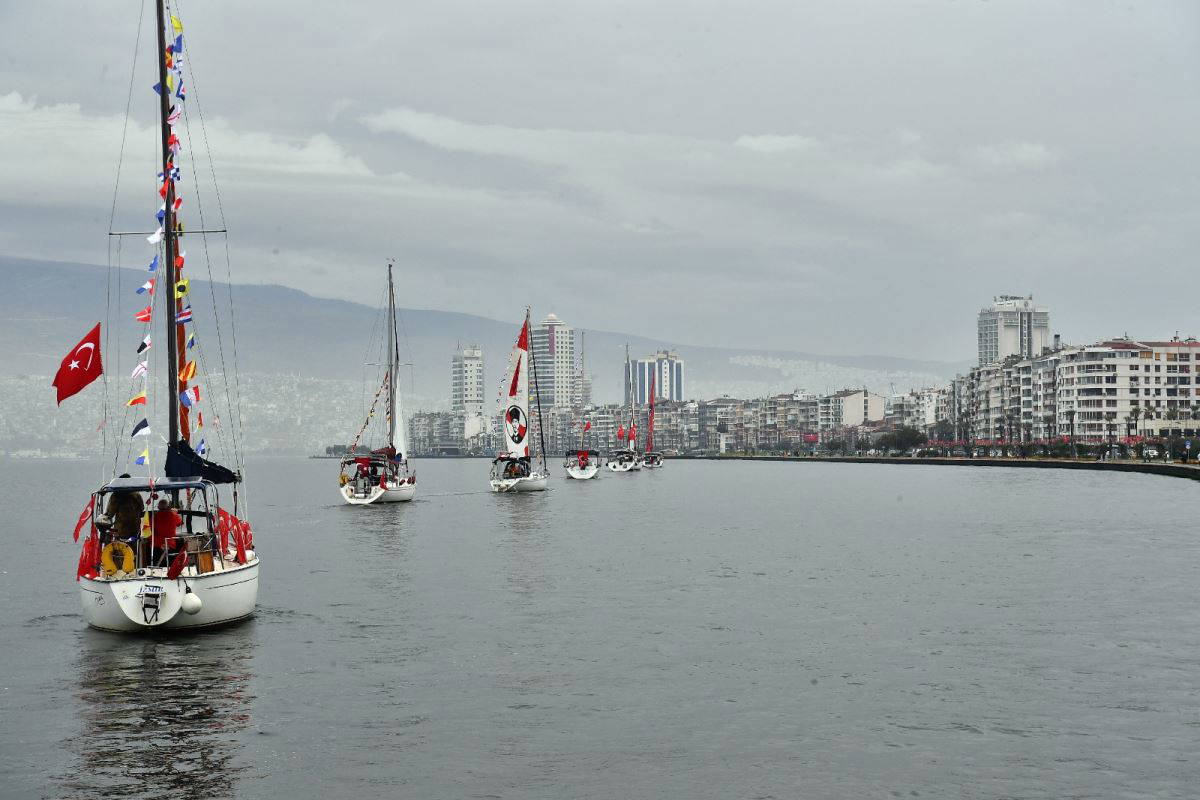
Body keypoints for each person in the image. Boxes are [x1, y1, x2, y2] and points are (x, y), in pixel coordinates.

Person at [104, 474, 144, 541]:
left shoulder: (116, 495)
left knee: (121, 548)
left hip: (121, 528)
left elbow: (110, 513)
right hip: (135, 526)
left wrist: (105, 517)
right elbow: (142, 508)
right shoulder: (136, 494)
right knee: (134, 544)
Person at [151, 498, 183, 566]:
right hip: (170, 544)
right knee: (171, 562)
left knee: (157, 562)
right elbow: (180, 522)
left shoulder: (154, 518)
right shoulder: (173, 515)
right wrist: (174, 512)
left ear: (158, 507)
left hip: (157, 545)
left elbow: (150, 531)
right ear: (168, 507)